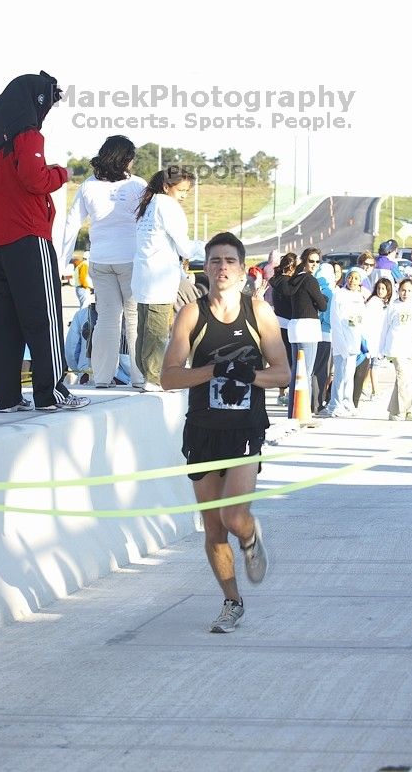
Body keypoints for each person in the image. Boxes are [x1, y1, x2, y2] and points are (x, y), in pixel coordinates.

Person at [160, 232, 290, 633]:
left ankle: (250, 537)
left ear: (240, 268)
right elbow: (168, 377)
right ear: (206, 266)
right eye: (214, 261)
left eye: (229, 261)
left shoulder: (258, 312)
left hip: (245, 428)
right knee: (213, 526)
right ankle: (232, 602)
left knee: (233, 517)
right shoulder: (191, 314)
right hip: (202, 429)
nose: (221, 268)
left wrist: (248, 375)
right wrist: (215, 370)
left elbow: (283, 372)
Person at [0, 70, 89, 413]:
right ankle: (51, 392)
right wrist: (61, 173)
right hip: (26, 237)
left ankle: (6, 397)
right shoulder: (28, 136)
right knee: (43, 317)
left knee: (2, 321)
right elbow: (35, 180)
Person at [61, 135, 146, 389]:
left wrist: (63, 262)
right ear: (127, 159)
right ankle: (140, 377)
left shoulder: (88, 185)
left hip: (100, 260)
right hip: (131, 260)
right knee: (134, 318)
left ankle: (102, 377)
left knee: (108, 318)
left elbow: (72, 223)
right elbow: (148, 224)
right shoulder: (138, 185)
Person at [132, 167, 205, 391]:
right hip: (159, 278)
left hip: (144, 275)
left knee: (144, 330)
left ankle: (146, 374)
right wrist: (206, 248)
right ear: (166, 187)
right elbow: (184, 246)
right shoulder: (168, 205)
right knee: (157, 331)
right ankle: (153, 378)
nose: (183, 196)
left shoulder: (149, 203)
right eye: (181, 190)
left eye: (186, 191)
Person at [280, 247, 328, 418]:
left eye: (317, 261)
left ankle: (293, 411)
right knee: (305, 373)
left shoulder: (294, 280)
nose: (314, 264)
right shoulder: (310, 281)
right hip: (308, 327)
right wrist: (322, 299)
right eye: (311, 261)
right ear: (304, 261)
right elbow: (323, 305)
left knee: (296, 372)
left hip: (295, 326)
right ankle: (303, 411)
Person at [380, 277, 412, 420]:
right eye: (403, 290)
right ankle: (407, 409)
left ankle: (393, 411)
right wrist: (381, 348)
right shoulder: (393, 306)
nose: (406, 293)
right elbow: (385, 327)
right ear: (398, 291)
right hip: (396, 348)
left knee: (404, 380)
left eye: (409, 290)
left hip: (410, 348)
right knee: (403, 377)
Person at [319, 267, 366, 417]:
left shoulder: (359, 297)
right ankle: (335, 404)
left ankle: (347, 401)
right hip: (341, 341)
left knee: (349, 374)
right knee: (339, 374)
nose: (352, 281)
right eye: (350, 277)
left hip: (354, 341)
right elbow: (336, 320)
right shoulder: (339, 295)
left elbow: (361, 320)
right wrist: (341, 342)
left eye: (356, 278)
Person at [64, 301, 130, 386]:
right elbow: (125, 357)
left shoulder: (82, 314)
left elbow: (71, 352)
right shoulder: (129, 314)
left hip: (88, 374)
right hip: (120, 378)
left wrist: (81, 371)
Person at [268, 252, 297, 405]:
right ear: (292, 267)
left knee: (282, 357)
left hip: (276, 321)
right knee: (290, 359)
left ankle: (281, 392)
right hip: (287, 322)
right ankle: (286, 390)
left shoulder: (275, 281)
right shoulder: (288, 284)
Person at [312, 262, 336, 413]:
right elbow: (328, 318)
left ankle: (311, 402)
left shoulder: (313, 288)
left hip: (312, 333)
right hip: (326, 335)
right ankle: (318, 403)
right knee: (322, 371)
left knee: (312, 369)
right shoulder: (329, 292)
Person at [364, 277, 393, 399]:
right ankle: (375, 391)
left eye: (383, 289)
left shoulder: (384, 303)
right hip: (373, 339)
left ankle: (363, 387)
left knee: (371, 366)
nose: (380, 291)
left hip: (378, 340)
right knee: (374, 366)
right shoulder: (374, 302)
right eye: (379, 288)